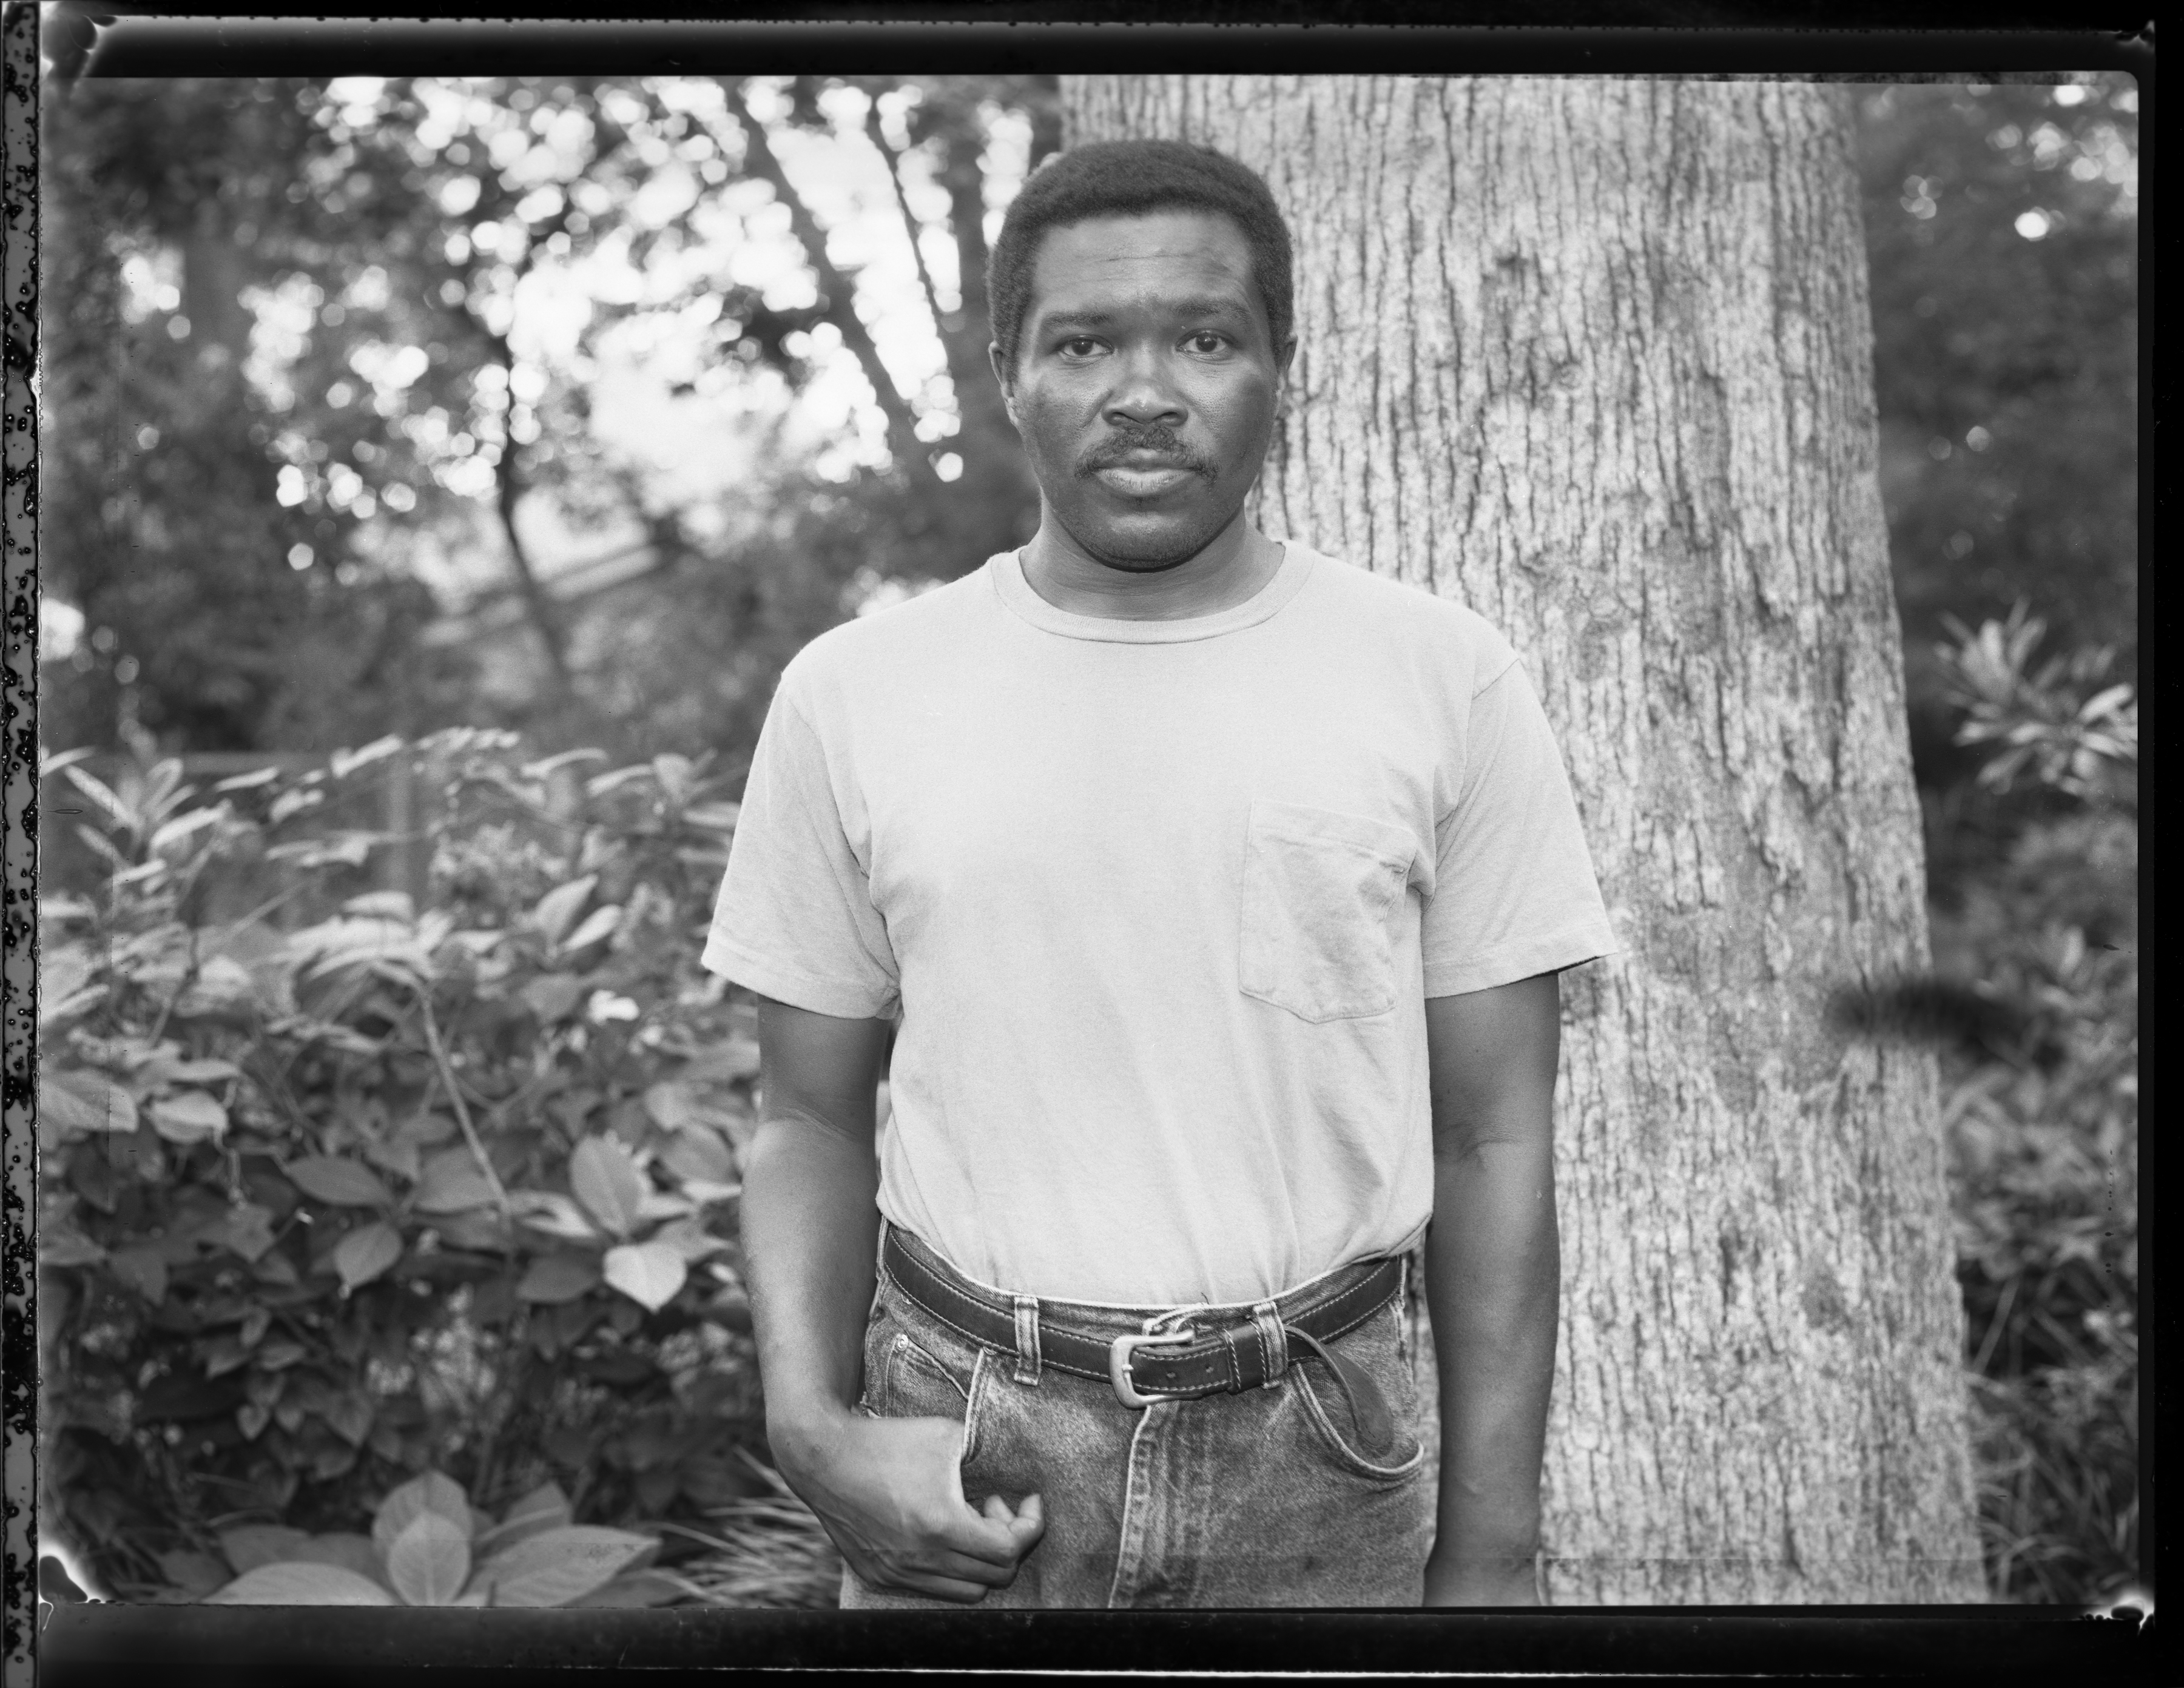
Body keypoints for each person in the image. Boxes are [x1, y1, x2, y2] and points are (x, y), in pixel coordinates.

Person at [704, 137, 1617, 1609]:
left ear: (1281, 367)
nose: (1145, 392)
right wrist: (812, 1431)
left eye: (1204, 337)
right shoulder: (855, 694)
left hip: (1322, 1447)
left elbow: (1496, 1142)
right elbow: (806, 1118)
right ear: (1010, 371)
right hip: (969, 1444)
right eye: (1083, 342)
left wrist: (1493, 1558)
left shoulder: (1442, 680)